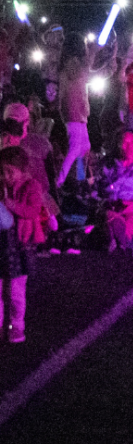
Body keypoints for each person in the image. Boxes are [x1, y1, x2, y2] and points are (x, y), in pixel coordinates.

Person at [54, 32, 107, 188]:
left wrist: (104, 57)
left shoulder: (74, 63)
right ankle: (59, 181)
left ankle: (80, 179)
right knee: (75, 148)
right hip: (73, 110)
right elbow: (85, 72)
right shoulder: (72, 63)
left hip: (78, 111)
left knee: (85, 148)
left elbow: (88, 73)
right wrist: (95, 51)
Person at [0, 147, 35, 343]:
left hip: (19, 247)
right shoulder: (2, 186)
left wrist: (12, 205)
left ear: (22, 170)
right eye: (2, 172)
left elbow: (32, 210)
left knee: (16, 291)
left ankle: (16, 326)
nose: (6, 176)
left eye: (10, 172)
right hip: (2, 245)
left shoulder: (31, 186)